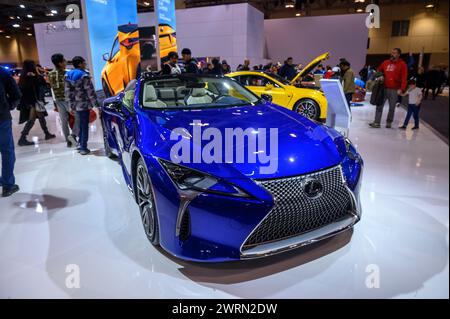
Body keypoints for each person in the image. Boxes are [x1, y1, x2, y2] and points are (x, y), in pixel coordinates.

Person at [65, 56, 98, 155]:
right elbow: (90, 92)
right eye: (84, 63)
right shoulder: (84, 75)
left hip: (75, 105)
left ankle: (80, 144)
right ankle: (83, 147)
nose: (85, 65)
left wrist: (70, 105)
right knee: (84, 126)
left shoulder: (68, 75)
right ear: (79, 64)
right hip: (84, 105)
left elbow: (67, 92)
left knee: (79, 125)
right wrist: (96, 104)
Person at [17, 60, 56, 146]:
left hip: (33, 101)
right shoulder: (31, 75)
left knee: (41, 117)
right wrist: (37, 74)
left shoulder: (23, 75)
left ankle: (46, 133)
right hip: (33, 101)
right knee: (32, 120)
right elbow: (41, 82)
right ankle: (22, 138)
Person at [369, 48, 408, 128]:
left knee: (392, 107)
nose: (392, 54)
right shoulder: (385, 62)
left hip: (394, 89)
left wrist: (402, 89)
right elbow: (378, 70)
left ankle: (389, 122)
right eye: (392, 52)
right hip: (383, 88)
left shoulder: (402, 64)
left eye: (394, 53)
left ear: (398, 54)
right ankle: (377, 122)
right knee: (379, 105)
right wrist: (380, 76)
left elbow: (404, 77)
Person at [48, 53, 78, 148]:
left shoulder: (50, 74)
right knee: (79, 118)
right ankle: (73, 135)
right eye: (64, 60)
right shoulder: (67, 73)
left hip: (58, 100)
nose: (65, 62)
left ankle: (68, 141)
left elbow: (52, 88)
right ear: (60, 63)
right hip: (68, 100)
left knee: (64, 121)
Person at [0, 66, 21, 197]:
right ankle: (8, 185)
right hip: (1, 116)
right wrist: (7, 106)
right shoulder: (2, 71)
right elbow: (16, 94)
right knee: (7, 150)